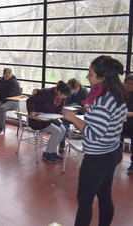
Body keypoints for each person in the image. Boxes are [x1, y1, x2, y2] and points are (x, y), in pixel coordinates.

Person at [63, 55, 128, 226]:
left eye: (90, 74)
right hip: (112, 151)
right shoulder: (117, 94)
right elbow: (117, 120)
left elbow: (92, 134)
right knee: (104, 196)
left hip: (98, 157)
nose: (87, 77)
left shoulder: (103, 100)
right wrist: (92, 113)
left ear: (102, 78)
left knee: (84, 202)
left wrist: (72, 118)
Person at [25, 80, 71, 163]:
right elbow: (30, 100)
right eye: (65, 95)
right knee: (57, 131)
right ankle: (46, 153)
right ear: (59, 92)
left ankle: (53, 152)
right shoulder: (45, 93)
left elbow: (56, 110)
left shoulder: (60, 98)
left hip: (49, 118)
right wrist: (32, 111)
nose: (66, 97)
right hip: (37, 119)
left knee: (63, 129)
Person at [58, 78, 88, 151]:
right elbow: (64, 103)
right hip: (69, 113)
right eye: (73, 88)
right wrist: (70, 94)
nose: (76, 90)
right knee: (65, 121)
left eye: (77, 87)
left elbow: (87, 101)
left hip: (80, 113)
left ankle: (86, 142)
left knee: (86, 123)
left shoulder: (84, 91)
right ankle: (62, 142)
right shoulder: (68, 91)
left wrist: (86, 104)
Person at [121, 74, 133, 172]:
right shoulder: (120, 95)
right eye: (127, 83)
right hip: (120, 123)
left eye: (132, 84)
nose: (129, 86)